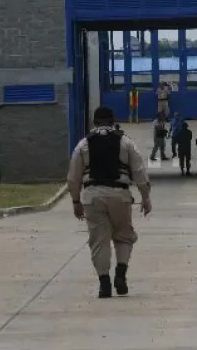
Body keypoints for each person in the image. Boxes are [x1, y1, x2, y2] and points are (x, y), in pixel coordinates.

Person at [67, 106, 152, 299]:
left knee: (99, 241)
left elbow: (73, 177)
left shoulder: (83, 145)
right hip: (120, 195)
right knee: (123, 236)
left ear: (94, 122)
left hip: (92, 196)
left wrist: (75, 201)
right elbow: (139, 172)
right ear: (113, 121)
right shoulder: (126, 142)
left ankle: (104, 284)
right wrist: (145, 197)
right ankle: (120, 274)